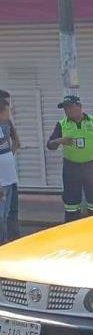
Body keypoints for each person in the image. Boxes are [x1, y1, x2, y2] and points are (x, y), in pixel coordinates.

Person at [46, 95, 93, 223]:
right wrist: (59, 140)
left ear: (79, 107)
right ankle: (72, 232)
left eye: (69, 107)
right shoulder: (62, 125)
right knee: (71, 206)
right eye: (65, 109)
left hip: (92, 167)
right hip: (71, 168)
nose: (67, 111)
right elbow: (50, 145)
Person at [0, 89, 20, 241]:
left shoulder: (6, 124)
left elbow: (16, 142)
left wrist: (8, 159)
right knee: (2, 216)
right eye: (8, 108)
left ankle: (13, 242)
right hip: (2, 181)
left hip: (10, 177)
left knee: (11, 213)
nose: (11, 110)